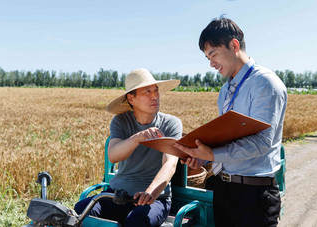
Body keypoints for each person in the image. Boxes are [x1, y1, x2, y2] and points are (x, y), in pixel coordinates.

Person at [174, 17, 287, 226]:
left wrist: (212, 153)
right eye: (207, 57)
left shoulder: (265, 83)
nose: (211, 63)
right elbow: (228, 138)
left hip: (254, 194)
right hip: (224, 190)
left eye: (213, 54)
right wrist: (203, 158)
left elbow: (262, 143)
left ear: (234, 45)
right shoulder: (225, 90)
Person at [74, 68, 182, 226]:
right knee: (81, 209)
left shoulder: (171, 124)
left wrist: (150, 193)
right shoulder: (121, 121)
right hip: (118, 195)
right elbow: (113, 155)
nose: (155, 96)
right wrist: (138, 138)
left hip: (154, 199)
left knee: (137, 220)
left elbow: (170, 164)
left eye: (156, 90)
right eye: (147, 91)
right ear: (131, 99)